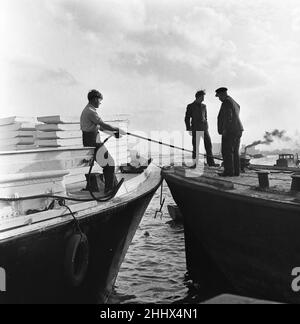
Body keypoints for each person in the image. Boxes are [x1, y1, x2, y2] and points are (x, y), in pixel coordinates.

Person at [80, 89, 126, 193]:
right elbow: (103, 125)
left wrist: (113, 134)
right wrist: (116, 129)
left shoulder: (88, 110)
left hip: (91, 141)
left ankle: (113, 185)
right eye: (100, 100)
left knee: (109, 164)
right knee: (110, 164)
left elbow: (99, 127)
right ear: (95, 99)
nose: (100, 103)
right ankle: (109, 189)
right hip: (93, 143)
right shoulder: (90, 112)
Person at [216, 87, 244, 177]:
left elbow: (229, 116)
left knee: (226, 151)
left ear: (222, 94)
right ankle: (236, 172)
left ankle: (228, 172)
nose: (219, 99)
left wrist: (225, 129)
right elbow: (237, 109)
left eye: (219, 96)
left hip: (230, 131)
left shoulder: (226, 102)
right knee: (235, 152)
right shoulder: (233, 102)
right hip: (237, 129)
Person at [185, 90, 216, 168]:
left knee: (208, 145)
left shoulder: (204, 106)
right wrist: (189, 128)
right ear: (198, 97)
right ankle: (195, 163)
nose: (203, 99)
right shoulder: (190, 106)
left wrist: (206, 126)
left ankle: (211, 163)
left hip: (205, 129)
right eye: (202, 97)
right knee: (196, 146)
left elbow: (206, 117)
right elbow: (187, 118)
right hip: (195, 128)